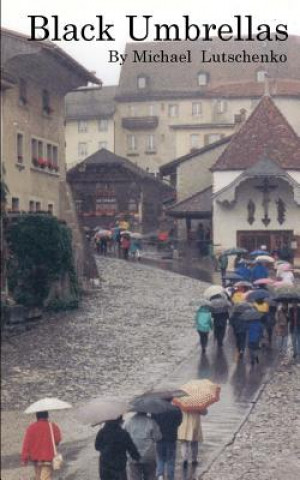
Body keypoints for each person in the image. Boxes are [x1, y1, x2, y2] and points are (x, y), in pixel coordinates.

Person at [21, 410, 61, 480]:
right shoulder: (52, 426)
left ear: (37, 416)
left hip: (36, 460)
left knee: (38, 477)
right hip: (48, 458)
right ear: (47, 416)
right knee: (45, 477)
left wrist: (24, 459)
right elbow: (58, 439)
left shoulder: (31, 428)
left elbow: (26, 444)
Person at [125, 412, 162, 480]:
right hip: (148, 455)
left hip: (133, 455)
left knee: (135, 476)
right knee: (150, 476)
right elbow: (158, 437)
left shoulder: (129, 422)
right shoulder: (151, 422)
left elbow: (124, 436)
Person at [152, 407, 182, 480]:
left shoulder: (156, 410)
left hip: (159, 438)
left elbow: (153, 422)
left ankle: (160, 476)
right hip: (171, 438)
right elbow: (179, 422)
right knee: (171, 460)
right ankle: (170, 477)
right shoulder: (176, 409)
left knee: (160, 458)